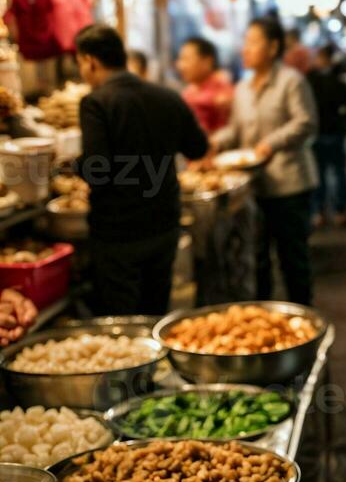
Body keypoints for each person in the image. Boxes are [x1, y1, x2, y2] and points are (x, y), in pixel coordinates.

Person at [74, 24, 208, 315]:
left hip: (119, 232)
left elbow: (98, 170)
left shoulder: (96, 103)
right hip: (164, 223)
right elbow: (198, 148)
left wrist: (72, 166)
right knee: (156, 310)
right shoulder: (168, 96)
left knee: (122, 319)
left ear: (90, 61)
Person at [213, 17, 318, 304]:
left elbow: (306, 123)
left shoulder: (291, 82)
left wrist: (271, 144)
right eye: (245, 42)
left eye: (253, 42)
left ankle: (303, 323)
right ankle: (263, 318)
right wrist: (214, 142)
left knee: (293, 259)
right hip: (253, 186)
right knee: (257, 259)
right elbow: (235, 130)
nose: (245, 49)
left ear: (272, 47)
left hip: (289, 185)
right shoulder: (243, 88)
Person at [307, 45, 346, 227]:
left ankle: (326, 211)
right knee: (333, 173)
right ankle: (334, 211)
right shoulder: (335, 79)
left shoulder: (313, 80)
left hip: (324, 132)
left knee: (326, 174)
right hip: (329, 132)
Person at [176, 37, 234, 135]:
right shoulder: (189, 91)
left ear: (207, 61)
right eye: (180, 59)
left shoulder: (223, 89)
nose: (181, 65)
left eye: (186, 59)